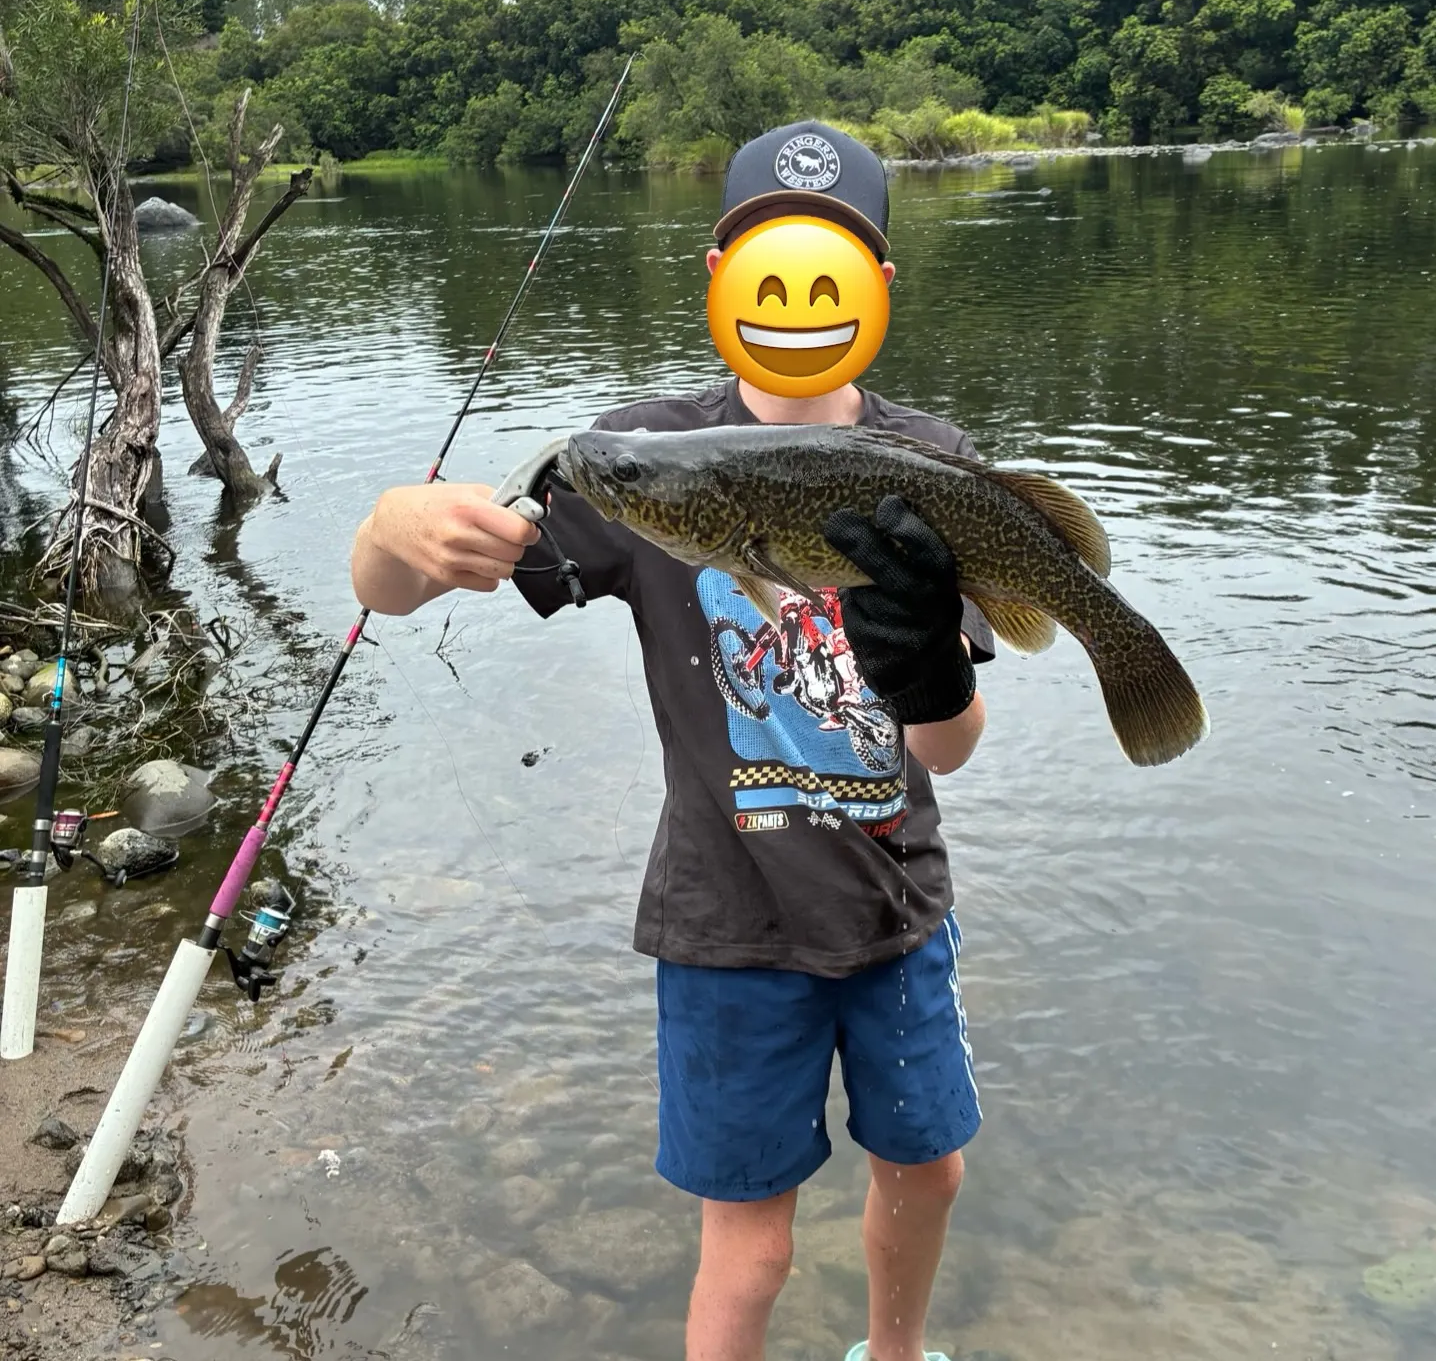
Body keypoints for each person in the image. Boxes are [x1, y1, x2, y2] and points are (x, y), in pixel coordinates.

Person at [350, 122, 995, 1361]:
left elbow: (952, 746)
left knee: (931, 1172)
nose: (797, 292)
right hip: (723, 920)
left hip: (894, 910)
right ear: (717, 275)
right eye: (765, 257)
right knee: (747, 1249)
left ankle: (897, 1355)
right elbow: (392, 590)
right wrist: (392, 529)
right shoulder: (637, 462)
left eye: (832, 259)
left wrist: (922, 670)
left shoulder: (932, 464)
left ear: (877, 287)